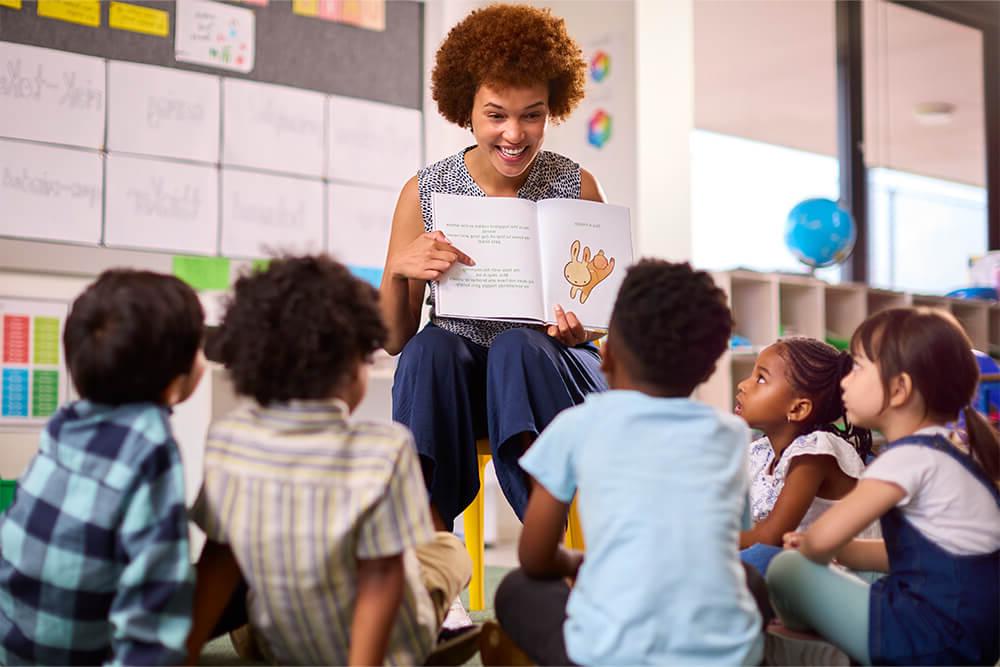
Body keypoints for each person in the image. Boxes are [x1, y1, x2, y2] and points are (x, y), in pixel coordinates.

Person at [381, 3, 610, 530]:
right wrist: (399, 270)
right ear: (466, 110)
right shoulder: (426, 192)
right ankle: (432, 556)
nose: (515, 134)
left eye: (532, 114)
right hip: (460, 385)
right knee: (428, 347)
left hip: (549, 376)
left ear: (552, 108)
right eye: (496, 115)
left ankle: (543, 547)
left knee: (517, 347)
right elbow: (394, 339)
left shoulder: (577, 186)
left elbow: (600, 326)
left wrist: (579, 332)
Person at [184, 256, 476, 667]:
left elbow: (219, 558)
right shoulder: (385, 450)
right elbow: (384, 574)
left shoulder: (229, 440)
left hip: (278, 643)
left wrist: (186, 650)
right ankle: (430, 637)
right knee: (446, 548)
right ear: (357, 362)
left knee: (253, 583)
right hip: (381, 646)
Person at [484, 260, 766, 666]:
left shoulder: (578, 426)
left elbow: (536, 555)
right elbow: (729, 542)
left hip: (609, 655)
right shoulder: (731, 435)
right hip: (725, 656)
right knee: (751, 581)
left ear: (607, 354)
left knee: (517, 589)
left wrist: (577, 562)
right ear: (708, 368)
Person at [767, 307, 1000, 666]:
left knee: (786, 568)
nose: (845, 380)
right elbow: (910, 555)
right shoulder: (954, 453)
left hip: (921, 639)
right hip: (972, 641)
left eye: (858, 367)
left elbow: (820, 542)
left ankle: (811, 642)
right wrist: (844, 552)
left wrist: (811, 546)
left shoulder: (906, 458)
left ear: (899, 388)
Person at [0, 270, 205, 665]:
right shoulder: (151, 446)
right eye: (199, 348)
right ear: (172, 383)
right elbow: (156, 594)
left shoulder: (65, 424)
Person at [734, 337, 876, 575]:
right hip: (799, 568)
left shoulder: (816, 453)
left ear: (798, 409)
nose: (742, 385)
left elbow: (770, 537)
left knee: (759, 558)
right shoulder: (762, 450)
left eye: (760, 379)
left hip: (843, 580)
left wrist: (708, 537)